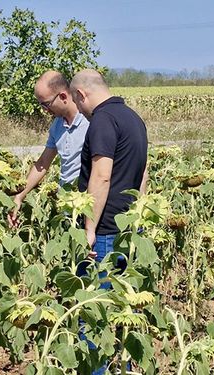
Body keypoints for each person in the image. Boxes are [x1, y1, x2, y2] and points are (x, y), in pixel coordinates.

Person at [70, 69, 148, 375]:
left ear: (81, 95)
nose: (80, 110)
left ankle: (97, 371)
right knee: (123, 309)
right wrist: (136, 217)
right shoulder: (133, 118)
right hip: (129, 230)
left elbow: (101, 176)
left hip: (104, 232)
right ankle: (124, 368)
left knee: (94, 310)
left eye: (78, 103)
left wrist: (89, 228)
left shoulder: (102, 121)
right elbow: (143, 174)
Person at [7, 71, 89, 228]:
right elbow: (43, 163)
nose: (44, 110)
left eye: (46, 104)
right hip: (67, 208)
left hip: (87, 206)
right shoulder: (57, 125)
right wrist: (19, 196)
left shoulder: (90, 121)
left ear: (63, 97)